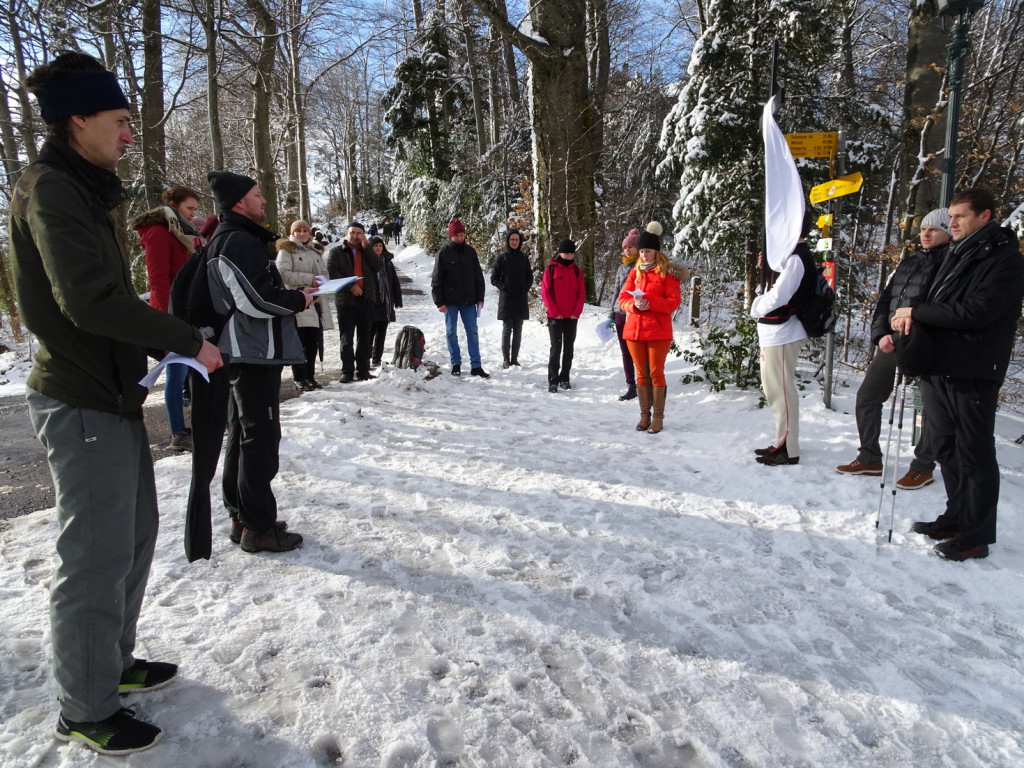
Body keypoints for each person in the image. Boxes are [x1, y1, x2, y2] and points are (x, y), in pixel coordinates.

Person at [10, 52, 223, 755]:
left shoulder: (84, 186)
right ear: (79, 119)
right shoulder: (50, 190)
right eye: (120, 121)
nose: (130, 135)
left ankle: (113, 665)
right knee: (95, 557)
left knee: (131, 540)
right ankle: (85, 704)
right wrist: (185, 338)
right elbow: (88, 300)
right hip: (78, 396)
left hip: (111, 393)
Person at [893, 188, 1024, 561]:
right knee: (947, 448)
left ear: (985, 216)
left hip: (974, 368)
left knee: (974, 453)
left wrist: (916, 313)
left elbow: (976, 312)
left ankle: (976, 535)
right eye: (950, 216)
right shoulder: (955, 253)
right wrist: (909, 313)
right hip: (939, 365)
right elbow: (934, 300)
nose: (951, 223)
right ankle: (955, 517)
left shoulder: (1005, 260)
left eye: (959, 216)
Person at [202, 170, 314, 554]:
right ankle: (258, 527)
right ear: (238, 202)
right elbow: (255, 299)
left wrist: (296, 292)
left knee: (242, 435)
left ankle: (242, 517)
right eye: (255, 195)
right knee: (259, 439)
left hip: (247, 350)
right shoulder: (237, 241)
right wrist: (299, 300)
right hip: (251, 351)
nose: (263, 200)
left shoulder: (233, 238)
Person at [835, 208, 948, 486]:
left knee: (931, 408)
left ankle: (923, 466)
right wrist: (880, 334)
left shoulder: (951, 263)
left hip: (928, 346)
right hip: (892, 343)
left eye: (934, 229)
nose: (926, 233)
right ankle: (870, 457)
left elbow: (942, 308)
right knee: (868, 396)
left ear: (948, 231)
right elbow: (886, 301)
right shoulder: (909, 262)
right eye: (923, 228)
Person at [134, 184, 203, 452]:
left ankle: (194, 425)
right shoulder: (159, 232)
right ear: (173, 206)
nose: (193, 214)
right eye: (189, 208)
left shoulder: (180, 232)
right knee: (177, 374)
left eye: (195, 209)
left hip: (186, 311)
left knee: (189, 371)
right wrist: (165, 322)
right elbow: (158, 280)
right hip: (171, 314)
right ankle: (178, 432)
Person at [750, 213, 817, 466]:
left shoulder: (796, 258)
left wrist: (756, 307)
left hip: (784, 333)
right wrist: (765, 268)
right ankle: (783, 441)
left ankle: (789, 448)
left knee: (782, 391)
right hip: (775, 333)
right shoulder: (786, 257)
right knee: (774, 389)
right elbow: (771, 289)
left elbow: (779, 296)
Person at [618, 224, 686, 432]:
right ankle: (644, 416)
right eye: (641, 251)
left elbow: (673, 303)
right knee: (641, 374)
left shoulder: (668, 273)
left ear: (657, 251)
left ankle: (658, 417)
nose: (644, 255)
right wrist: (633, 305)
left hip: (657, 330)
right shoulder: (635, 273)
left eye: (647, 251)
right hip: (634, 330)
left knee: (656, 372)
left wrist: (648, 301)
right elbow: (622, 298)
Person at [276, 220, 333, 391]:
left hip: (315, 301)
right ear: (292, 233)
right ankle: (299, 377)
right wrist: (309, 279)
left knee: (313, 341)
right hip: (298, 298)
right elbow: (283, 274)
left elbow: (324, 273)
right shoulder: (287, 250)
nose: (301, 234)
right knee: (299, 341)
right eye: (298, 231)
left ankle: (310, 375)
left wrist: (323, 282)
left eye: (305, 230)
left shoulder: (316, 251)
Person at [432, 217, 489, 377]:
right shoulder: (443, 252)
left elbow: (478, 276)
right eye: (457, 235)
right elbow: (437, 279)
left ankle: (476, 366)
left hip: (469, 301)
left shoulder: (470, 252)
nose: (459, 238)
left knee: (473, 332)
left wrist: (480, 297)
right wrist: (439, 301)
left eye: (462, 235)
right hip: (449, 302)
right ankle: (455, 363)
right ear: (451, 236)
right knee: (451, 332)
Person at [326, 221, 380, 382]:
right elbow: (333, 272)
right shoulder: (336, 252)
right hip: (346, 300)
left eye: (359, 233)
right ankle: (347, 371)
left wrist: (367, 248)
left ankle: (363, 369)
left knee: (365, 337)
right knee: (346, 338)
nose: (356, 236)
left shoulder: (366, 251)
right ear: (346, 233)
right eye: (353, 232)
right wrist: (351, 286)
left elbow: (377, 267)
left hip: (366, 299)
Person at [542, 239, 586, 392]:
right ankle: (553, 380)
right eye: (566, 253)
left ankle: (565, 378)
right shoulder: (551, 269)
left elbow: (581, 293)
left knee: (569, 349)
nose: (569, 256)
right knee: (556, 347)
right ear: (560, 252)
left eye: (571, 253)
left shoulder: (577, 271)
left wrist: (576, 312)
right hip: (555, 316)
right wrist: (554, 312)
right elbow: (545, 292)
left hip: (571, 317)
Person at [490, 228, 533, 368]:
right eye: (512, 239)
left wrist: (525, 287)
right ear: (508, 241)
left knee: (518, 328)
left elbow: (529, 276)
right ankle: (506, 359)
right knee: (507, 328)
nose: (515, 242)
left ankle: (515, 359)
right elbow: (494, 278)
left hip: (520, 298)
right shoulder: (502, 257)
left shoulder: (523, 257)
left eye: (517, 239)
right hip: (507, 298)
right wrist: (504, 287)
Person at [610, 228, 641, 400]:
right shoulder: (621, 268)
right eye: (625, 248)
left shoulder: (642, 267)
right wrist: (611, 314)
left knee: (638, 351)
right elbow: (616, 291)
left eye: (630, 247)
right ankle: (631, 385)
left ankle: (644, 383)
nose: (627, 250)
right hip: (620, 313)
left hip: (635, 313)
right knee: (625, 352)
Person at [368, 235, 403, 367]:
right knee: (369, 333)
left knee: (381, 333)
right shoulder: (367, 262)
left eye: (380, 245)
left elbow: (394, 282)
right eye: (375, 245)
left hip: (385, 304)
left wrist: (398, 300)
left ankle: (377, 358)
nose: (378, 248)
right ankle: (366, 358)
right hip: (372, 303)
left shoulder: (387, 263)